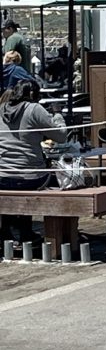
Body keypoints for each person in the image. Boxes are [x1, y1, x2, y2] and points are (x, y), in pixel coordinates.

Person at [0, 79, 68, 245]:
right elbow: (61, 135)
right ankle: (60, 235)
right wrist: (58, 114)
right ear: (32, 94)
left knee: (13, 186)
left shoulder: (1, 109)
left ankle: (10, 232)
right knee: (62, 180)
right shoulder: (34, 108)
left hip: (1, 175)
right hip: (29, 177)